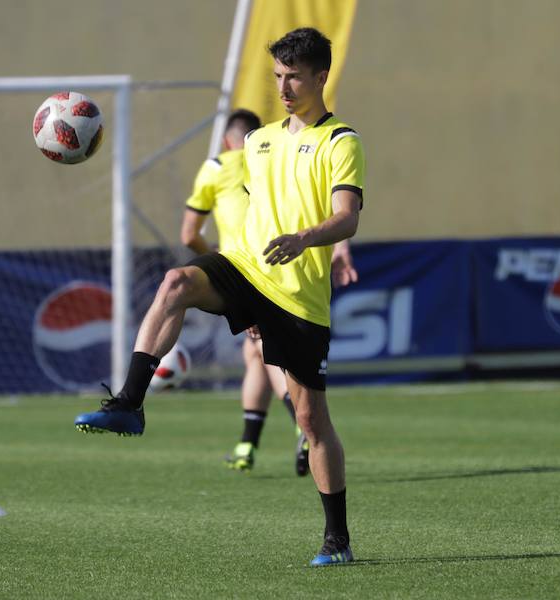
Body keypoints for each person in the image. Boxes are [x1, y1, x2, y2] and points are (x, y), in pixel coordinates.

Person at [74, 26, 364, 567]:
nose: (282, 87)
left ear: (321, 76)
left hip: (299, 297)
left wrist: (305, 239)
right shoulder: (258, 141)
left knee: (311, 423)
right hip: (247, 269)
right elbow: (255, 212)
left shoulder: (341, 141)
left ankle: (337, 538)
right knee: (174, 283)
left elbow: (345, 217)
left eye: (293, 76)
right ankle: (130, 402)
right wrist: (242, 298)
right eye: (277, 75)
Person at [180, 108, 323, 475]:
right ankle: (247, 445)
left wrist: (213, 262)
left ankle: (301, 426)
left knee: (266, 351)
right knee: (256, 355)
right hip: (286, 263)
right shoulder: (275, 157)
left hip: (244, 270)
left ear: (229, 140)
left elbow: (188, 235)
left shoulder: (216, 165)